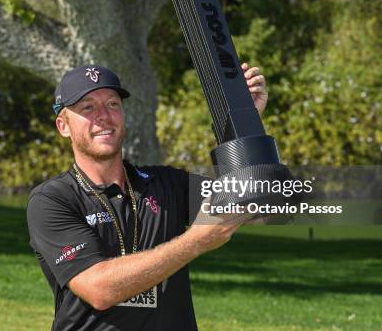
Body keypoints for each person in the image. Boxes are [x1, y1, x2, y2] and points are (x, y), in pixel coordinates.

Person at [27, 63, 268, 330]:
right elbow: (99, 290)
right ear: (63, 126)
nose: (104, 116)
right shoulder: (52, 200)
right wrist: (195, 242)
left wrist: (245, 124)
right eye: (87, 107)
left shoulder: (167, 184)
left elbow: (258, 205)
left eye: (112, 104)